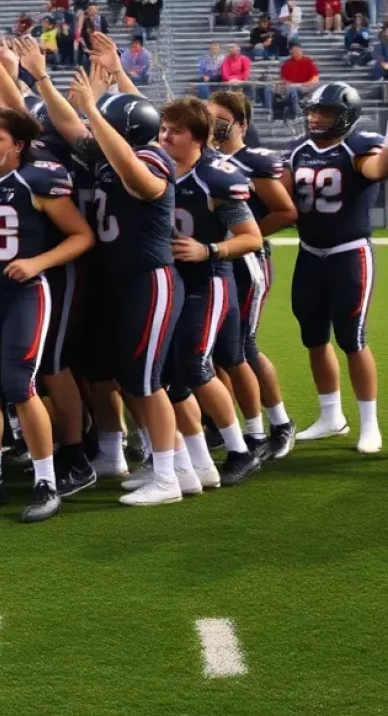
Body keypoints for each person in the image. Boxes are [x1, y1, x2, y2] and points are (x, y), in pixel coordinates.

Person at [39, 70, 185, 506]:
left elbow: (136, 178)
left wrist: (91, 111)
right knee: (121, 375)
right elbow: (68, 125)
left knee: (146, 381)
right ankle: (150, 463)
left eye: (103, 122)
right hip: (117, 281)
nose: (91, 129)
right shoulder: (103, 154)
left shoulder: (153, 157)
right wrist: (42, 80)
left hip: (149, 279)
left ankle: (169, 476)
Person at [0, 107, 94, 521]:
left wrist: (38, 262)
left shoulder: (36, 181)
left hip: (25, 294)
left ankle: (46, 482)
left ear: (18, 145)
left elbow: (81, 236)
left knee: (19, 385)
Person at [149, 97, 264, 489]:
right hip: (170, 281)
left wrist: (209, 249)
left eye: (176, 131)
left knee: (195, 365)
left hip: (209, 278)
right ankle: (192, 460)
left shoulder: (215, 176)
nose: (165, 136)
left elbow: (252, 238)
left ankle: (241, 451)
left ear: (199, 138)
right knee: (169, 373)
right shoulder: (156, 167)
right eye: (164, 128)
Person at [284, 83, 388, 453]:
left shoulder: (358, 146)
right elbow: (279, 195)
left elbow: (376, 169)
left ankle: (369, 423)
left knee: (352, 339)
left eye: (325, 112)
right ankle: (331, 416)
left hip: (349, 253)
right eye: (314, 110)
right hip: (309, 253)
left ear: (344, 115)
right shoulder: (297, 151)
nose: (316, 117)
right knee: (313, 337)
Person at [209, 90, 297, 459]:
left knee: (243, 345)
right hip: (214, 261)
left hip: (246, 261)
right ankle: (226, 421)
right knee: (215, 349)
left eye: (221, 118)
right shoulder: (205, 158)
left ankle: (279, 422)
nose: (213, 125)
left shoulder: (252, 161)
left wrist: (245, 233)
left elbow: (285, 210)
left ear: (241, 123)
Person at [279, 44, 320, 118]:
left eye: (297, 52)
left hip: (305, 86)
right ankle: (297, 112)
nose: (295, 54)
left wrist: (306, 84)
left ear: (301, 52)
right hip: (291, 87)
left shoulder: (308, 62)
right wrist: (288, 84)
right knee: (292, 90)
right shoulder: (287, 63)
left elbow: (315, 78)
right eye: (293, 52)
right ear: (291, 52)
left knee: (295, 90)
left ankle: (298, 112)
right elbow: (284, 79)